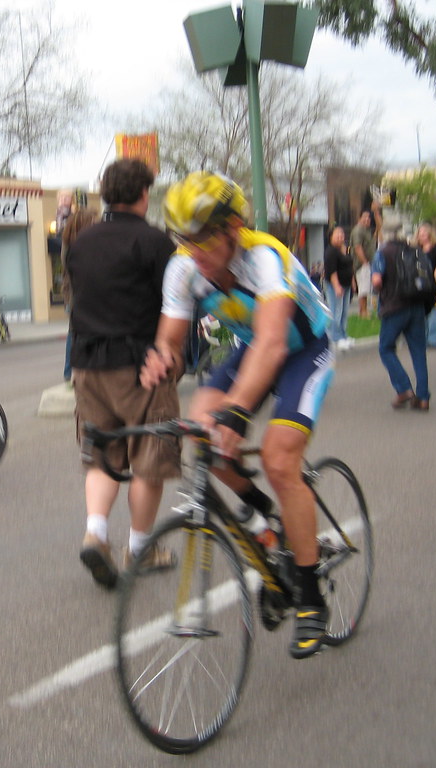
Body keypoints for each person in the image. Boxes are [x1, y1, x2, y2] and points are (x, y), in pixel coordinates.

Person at [141, 171, 334, 659]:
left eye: (203, 239)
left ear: (232, 230)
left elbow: (273, 343)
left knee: (279, 458)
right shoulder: (184, 268)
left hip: (302, 351)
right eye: (185, 239)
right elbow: (171, 337)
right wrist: (163, 356)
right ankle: (270, 521)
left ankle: (311, 599)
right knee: (200, 435)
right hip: (252, 351)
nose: (193, 250)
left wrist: (237, 411)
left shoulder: (264, 259)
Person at [68, 158, 181, 589]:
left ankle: (96, 533)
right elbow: (174, 307)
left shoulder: (82, 242)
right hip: (139, 367)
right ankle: (140, 547)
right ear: (143, 194)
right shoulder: (154, 243)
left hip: (87, 366)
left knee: (103, 454)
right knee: (148, 459)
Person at [372, 212, 431, 411]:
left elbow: (377, 280)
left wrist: (379, 292)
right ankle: (423, 397)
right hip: (416, 304)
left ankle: (404, 388)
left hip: (394, 306)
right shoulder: (414, 250)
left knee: (386, 348)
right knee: (418, 351)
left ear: (385, 233)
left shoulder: (383, 252)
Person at [60, 201, 98, 386]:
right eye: (93, 222)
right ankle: (72, 370)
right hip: (78, 293)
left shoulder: (69, 244)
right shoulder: (79, 246)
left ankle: (71, 371)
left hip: (74, 293)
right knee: (76, 332)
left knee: (74, 331)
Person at [324, 225, 354, 350]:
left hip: (346, 285)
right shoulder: (331, 251)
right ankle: (336, 337)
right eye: (337, 234)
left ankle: (343, 334)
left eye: (342, 234)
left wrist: (353, 282)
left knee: (344, 312)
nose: (341, 236)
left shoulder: (344, 249)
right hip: (335, 285)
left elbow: (349, 266)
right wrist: (336, 286)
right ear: (331, 236)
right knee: (336, 311)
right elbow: (332, 271)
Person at [415, 223, 436, 348]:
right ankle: (422, 338)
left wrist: (432, 280)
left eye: (424, 233)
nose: (422, 236)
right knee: (420, 312)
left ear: (429, 234)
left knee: (432, 309)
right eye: (420, 234)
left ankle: (434, 338)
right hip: (418, 283)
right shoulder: (416, 250)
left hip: (431, 283)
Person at [350, 209, 376, 317]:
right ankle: (363, 311)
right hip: (361, 264)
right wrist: (364, 262)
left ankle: (365, 311)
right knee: (363, 289)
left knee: (366, 288)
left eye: (369, 217)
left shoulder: (366, 230)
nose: (367, 219)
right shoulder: (358, 230)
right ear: (359, 218)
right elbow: (357, 247)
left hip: (369, 263)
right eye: (364, 217)